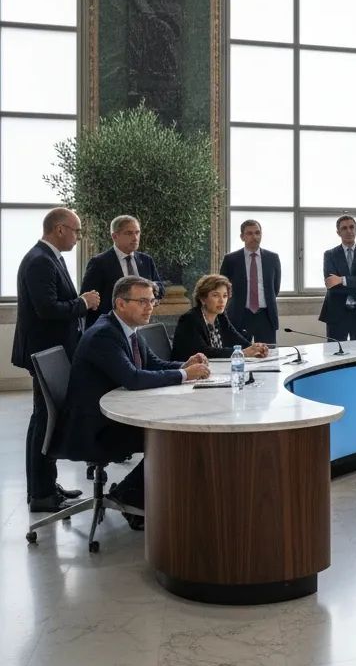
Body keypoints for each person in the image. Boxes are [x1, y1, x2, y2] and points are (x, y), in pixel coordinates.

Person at [57, 276, 209, 527]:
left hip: (110, 416)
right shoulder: (104, 335)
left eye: (152, 301)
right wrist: (184, 375)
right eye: (142, 301)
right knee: (172, 436)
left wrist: (184, 365)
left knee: (174, 432)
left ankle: (131, 493)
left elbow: (154, 365)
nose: (149, 306)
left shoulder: (128, 330)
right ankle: (130, 494)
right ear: (120, 304)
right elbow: (134, 378)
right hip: (93, 429)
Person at [12, 208, 99, 512]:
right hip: (45, 353)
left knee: (46, 419)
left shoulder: (49, 257)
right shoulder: (39, 261)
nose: (78, 237)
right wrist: (83, 303)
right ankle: (41, 494)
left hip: (52, 352)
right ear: (60, 229)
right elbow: (47, 309)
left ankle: (46, 485)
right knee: (44, 421)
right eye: (76, 231)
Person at [81, 214, 164, 326]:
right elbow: (90, 300)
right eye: (129, 233)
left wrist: (153, 287)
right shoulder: (99, 263)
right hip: (110, 327)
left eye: (137, 232)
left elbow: (160, 288)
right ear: (115, 236)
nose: (135, 238)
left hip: (141, 325)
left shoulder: (146, 260)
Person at [171, 274, 271, 361]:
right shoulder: (190, 319)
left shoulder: (221, 316)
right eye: (215, 295)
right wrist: (243, 353)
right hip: (189, 374)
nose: (221, 301)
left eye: (225, 296)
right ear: (202, 299)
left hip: (212, 369)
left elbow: (236, 338)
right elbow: (205, 352)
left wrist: (256, 348)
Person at [220, 219, 281, 345]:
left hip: (265, 315)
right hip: (240, 315)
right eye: (250, 233)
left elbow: (275, 288)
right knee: (238, 354)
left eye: (257, 233)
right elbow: (222, 287)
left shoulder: (273, 258)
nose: (254, 237)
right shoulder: (231, 259)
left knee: (268, 357)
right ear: (242, 237)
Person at [319, 214, 356, 341]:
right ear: (338, 232)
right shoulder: (330, 255)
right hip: (336, 311)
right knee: (335, 353)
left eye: (352, 227)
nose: (349, 231)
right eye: (344, 228)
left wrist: (341, 280)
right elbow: (331, 285)